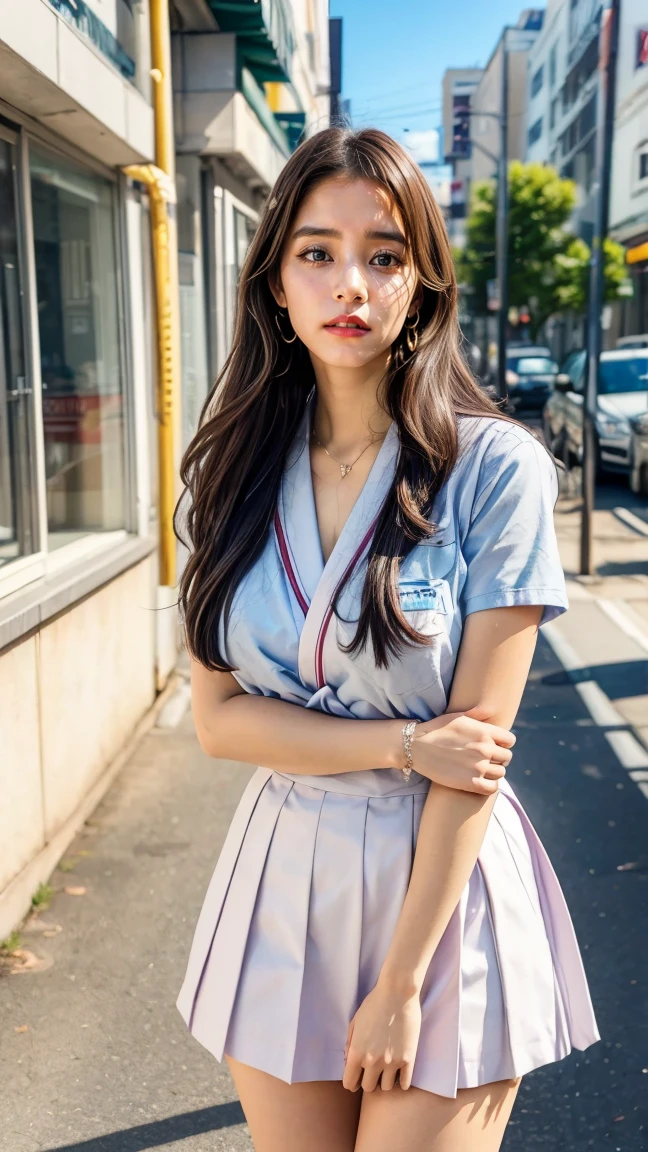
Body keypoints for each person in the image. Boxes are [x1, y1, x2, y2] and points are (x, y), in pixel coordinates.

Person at [174, 126, 600, 1152]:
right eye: (317, 252)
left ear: (423, 284)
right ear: (277, 281)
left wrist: (403, 984)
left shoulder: (495, 469)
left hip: (441, 898)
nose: (349, 283)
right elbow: (222, 725)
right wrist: (404, 742)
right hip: (284, 873)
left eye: (385, 254)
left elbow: (477, 758)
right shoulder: (233, 467)